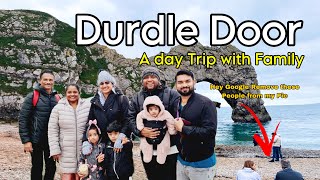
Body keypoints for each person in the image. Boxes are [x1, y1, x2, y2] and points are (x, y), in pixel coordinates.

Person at [128, 67, 180, 180]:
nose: (149, 80)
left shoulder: (172, 94)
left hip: (169, 149)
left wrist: (166, 130)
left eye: (153, 77)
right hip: (147, 148)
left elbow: (178, 116)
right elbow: (130, 118)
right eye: (146, 77)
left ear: (159, 79)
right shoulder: (137, 98)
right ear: (142, 80)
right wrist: (140, 131)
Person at [173, 70, 217, 180]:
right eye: (180, 82)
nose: (184, 85)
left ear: (194, 82)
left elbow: (210, 132)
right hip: (181, 161)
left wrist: (183, 128)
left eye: (187, 81)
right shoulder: (175, 103)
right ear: (176, 85)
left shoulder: (206, 104)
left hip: (202, 164)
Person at [19, 69, 59, 180]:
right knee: (37, 166)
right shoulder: (32, 96)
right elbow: (23, 119)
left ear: (53, 81)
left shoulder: (57, 98)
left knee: (51, 167)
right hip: (35, 139)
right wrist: (26, 141)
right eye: (45, 79)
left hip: (51, 140)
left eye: (50, 80)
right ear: (40, 81)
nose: (48, 82)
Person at [48, 84, 91, 180]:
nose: (72, 94)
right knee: (67, 176)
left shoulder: (87, 106)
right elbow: (52, 130)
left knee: (81, 175)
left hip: (84, 148)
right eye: (69, 92)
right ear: (65, 93)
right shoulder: (58, 108)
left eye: (75, 92)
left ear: (79, 93)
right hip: (65, 149)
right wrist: (55, 150)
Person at [83, 70, 130, 151]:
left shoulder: (121, 99)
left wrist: (121, 137)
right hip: (102, 144)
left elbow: (127, 120)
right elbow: (90, 123)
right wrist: (85, 142)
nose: (104, 85)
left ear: (112, 84)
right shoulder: (95, 102)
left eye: (107, 82)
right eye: (101, 83)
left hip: (120, 142)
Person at [136, 95, 177, 164]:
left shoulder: (165, 113)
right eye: (151, 109)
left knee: (164, 146)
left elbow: (171, 121)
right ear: (147, 109)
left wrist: (171, 130)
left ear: (160, 108)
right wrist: (141, 128)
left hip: (162, 133)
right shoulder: (144, 114)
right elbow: (138, 117)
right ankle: (147, 156)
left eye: (155, 109)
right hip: (147, 133)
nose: (153, 111)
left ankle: (161, 158)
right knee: (145, 145)